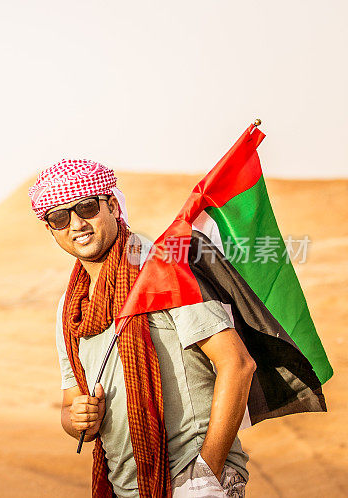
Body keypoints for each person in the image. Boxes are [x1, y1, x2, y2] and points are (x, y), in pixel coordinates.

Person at [28, 159, 256, 498]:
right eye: (60, 217)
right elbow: (70, 405)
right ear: (51, 229)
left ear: (113, 206)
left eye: (87, 207)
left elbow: (237, 364)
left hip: (192, 479)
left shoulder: (162, 269)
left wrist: (206, 474)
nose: (76, 224)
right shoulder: (70, 308)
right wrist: (78, 420)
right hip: (126, 487)